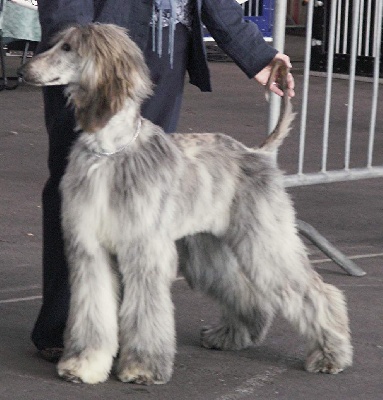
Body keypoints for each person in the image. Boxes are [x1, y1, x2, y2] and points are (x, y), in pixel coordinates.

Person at [32, 0, 295, 362]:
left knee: (149, 220)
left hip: (163, 49)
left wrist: (255, 53)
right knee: (80, 208)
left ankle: (137, 340)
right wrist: (77, 43)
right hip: (96, 50)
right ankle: (73, 333)